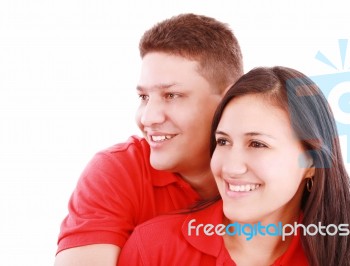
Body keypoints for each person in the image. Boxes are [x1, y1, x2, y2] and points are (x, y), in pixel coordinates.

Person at [117, 67, 350, 266]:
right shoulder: (153, 248)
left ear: (312, 163)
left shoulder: (339, 257)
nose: (231, 167)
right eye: (223, 141)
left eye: (257, 144)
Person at [54, 13, 243, 265]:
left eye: (172, 95)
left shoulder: (272, 171)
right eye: (144, 97)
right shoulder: (118, 170)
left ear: (230, 100)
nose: (147, 117)